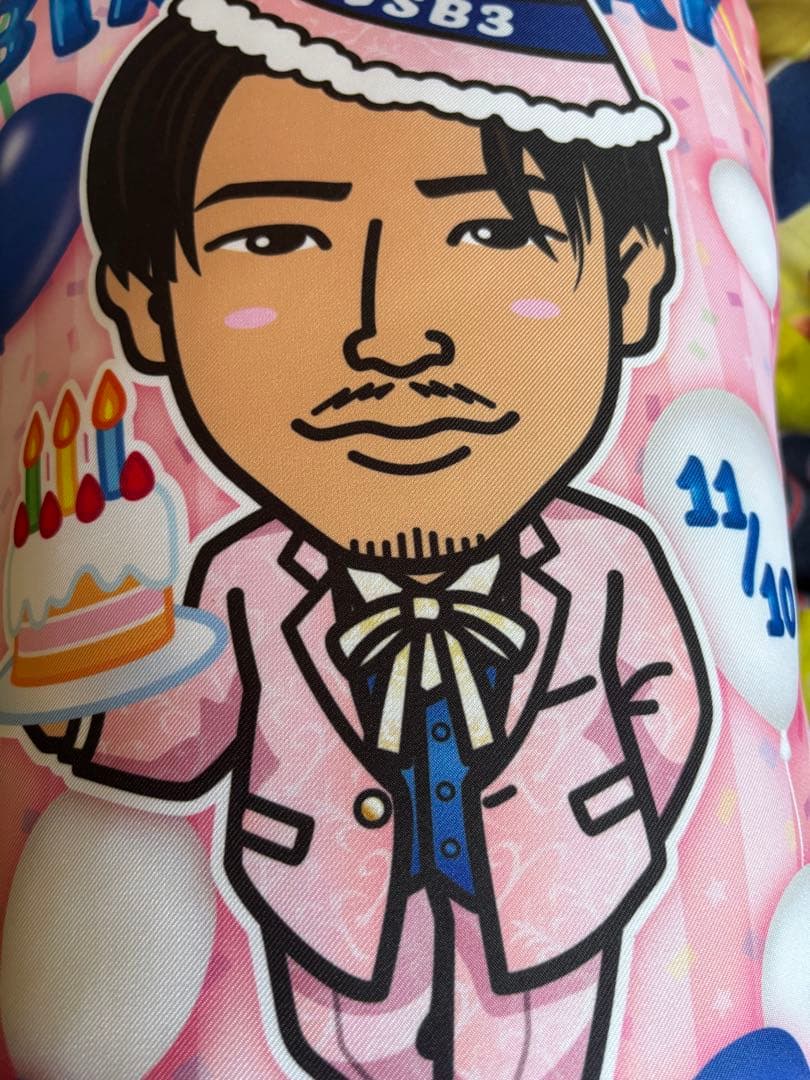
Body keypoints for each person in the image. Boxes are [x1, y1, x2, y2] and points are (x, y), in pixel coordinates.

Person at [29, 1, 712, 1076]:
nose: (392, 336)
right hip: (332, 947)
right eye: (276, 239)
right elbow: (189, 722)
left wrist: (598, 810)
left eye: (493, 229)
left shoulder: (611, 562)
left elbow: (668, 708)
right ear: (146, 305)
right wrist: (90, 690)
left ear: (630, 280)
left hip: (568, 915)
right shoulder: (241, 579)